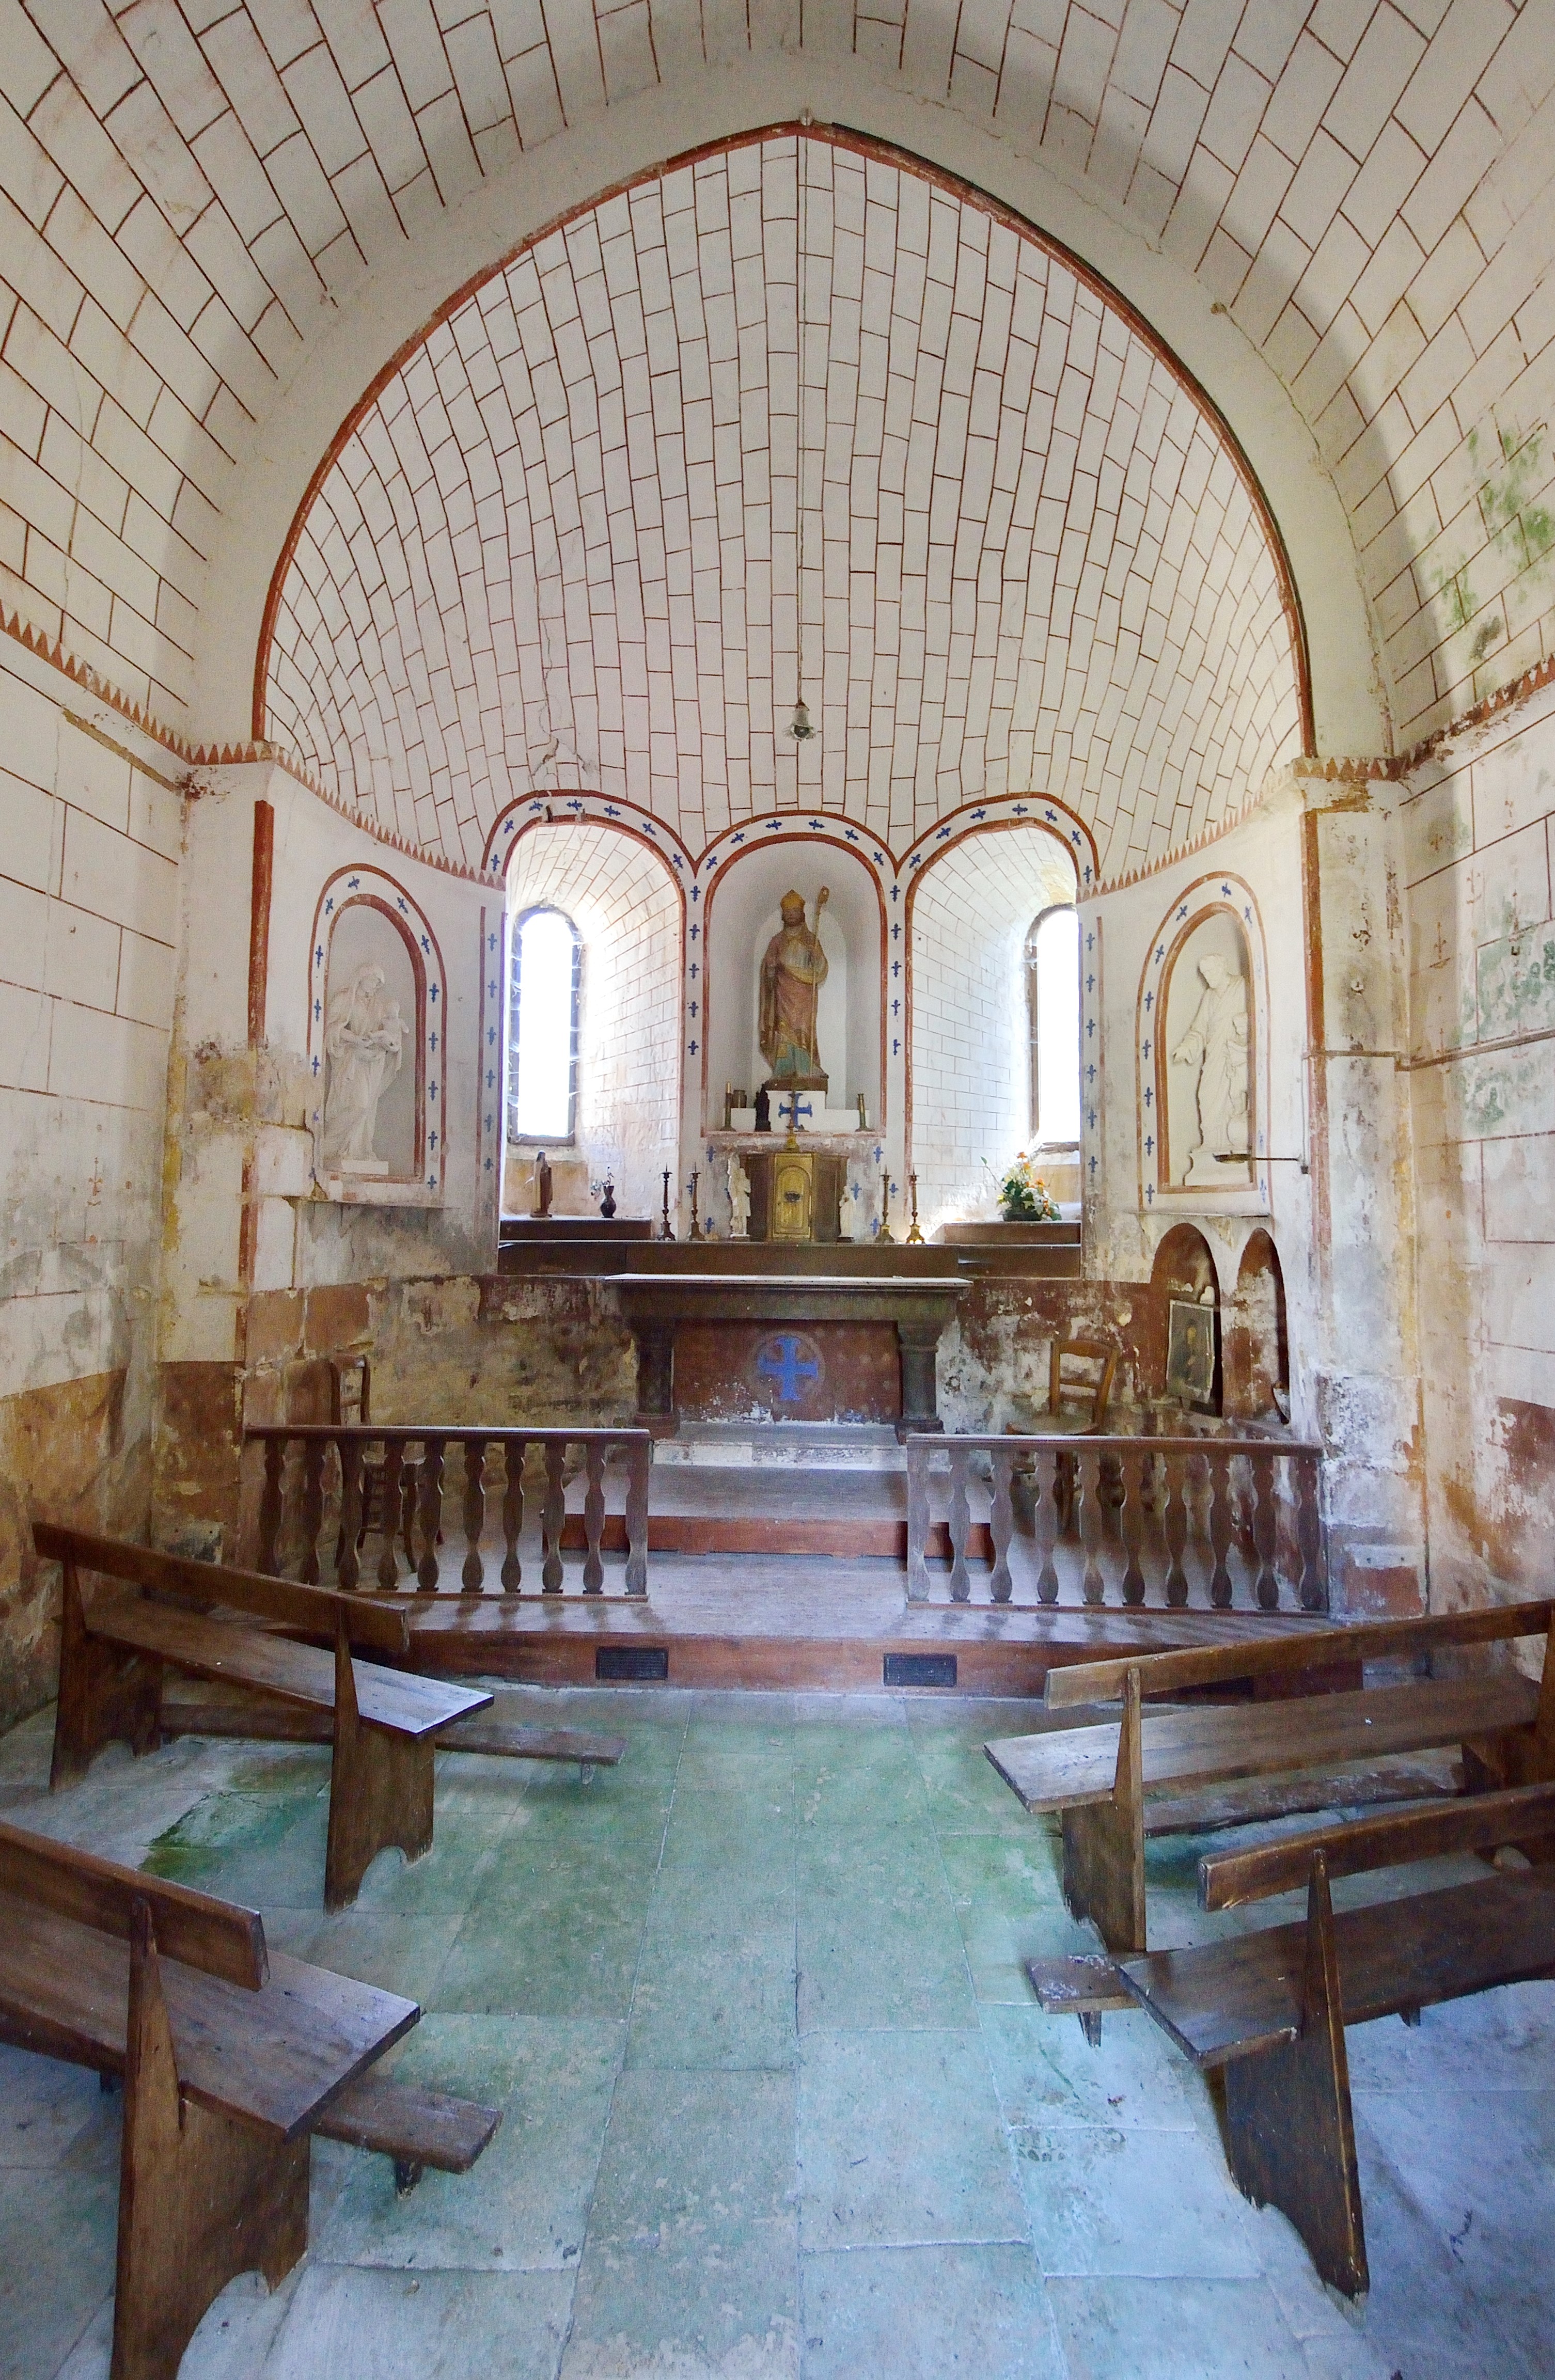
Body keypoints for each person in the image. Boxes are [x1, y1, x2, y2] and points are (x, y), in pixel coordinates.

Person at [320, 962, 403, 1169]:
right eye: (374, 981)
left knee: (368, 1110)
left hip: (372, 1063)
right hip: (350, 1061)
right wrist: (356, 1040)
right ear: (363, 977)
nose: (376, 987)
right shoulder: (344, 999)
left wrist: (388, 1043)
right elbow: (332, 1030)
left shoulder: (379, 1005)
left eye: (379, 984)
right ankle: (331, 1145)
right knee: (359, 1104)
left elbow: (391, 1032)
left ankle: (357, 1151)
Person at [1171, 953, 1249, 1171]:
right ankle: (1213, 1143)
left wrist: (1245, 1029)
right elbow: (1200, 1029)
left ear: (1223, 966)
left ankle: (1233, 1143)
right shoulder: (1209, 996)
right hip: (1214, 1056)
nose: (1208, 977)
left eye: (1211, 972)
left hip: (1236, 1056)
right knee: (1206, 1095)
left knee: (1234, 1097)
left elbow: (1256, 1017)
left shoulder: (1242, 986)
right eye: (1204, 974)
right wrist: (1186, 1048)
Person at [759, 889, 829, 1084]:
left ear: (802, 914)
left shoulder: (811, 940)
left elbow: (821, 969)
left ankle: (807, 1069)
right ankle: (784, 1070)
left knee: (805, 1028)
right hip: (783, 993)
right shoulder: (776, 941)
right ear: (783, 915)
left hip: (804, 994)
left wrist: (816, 959)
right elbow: (768, 969)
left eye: (795, 912)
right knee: (783, 1030)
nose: (791, 915)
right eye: (788, 913)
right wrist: (770, 968)